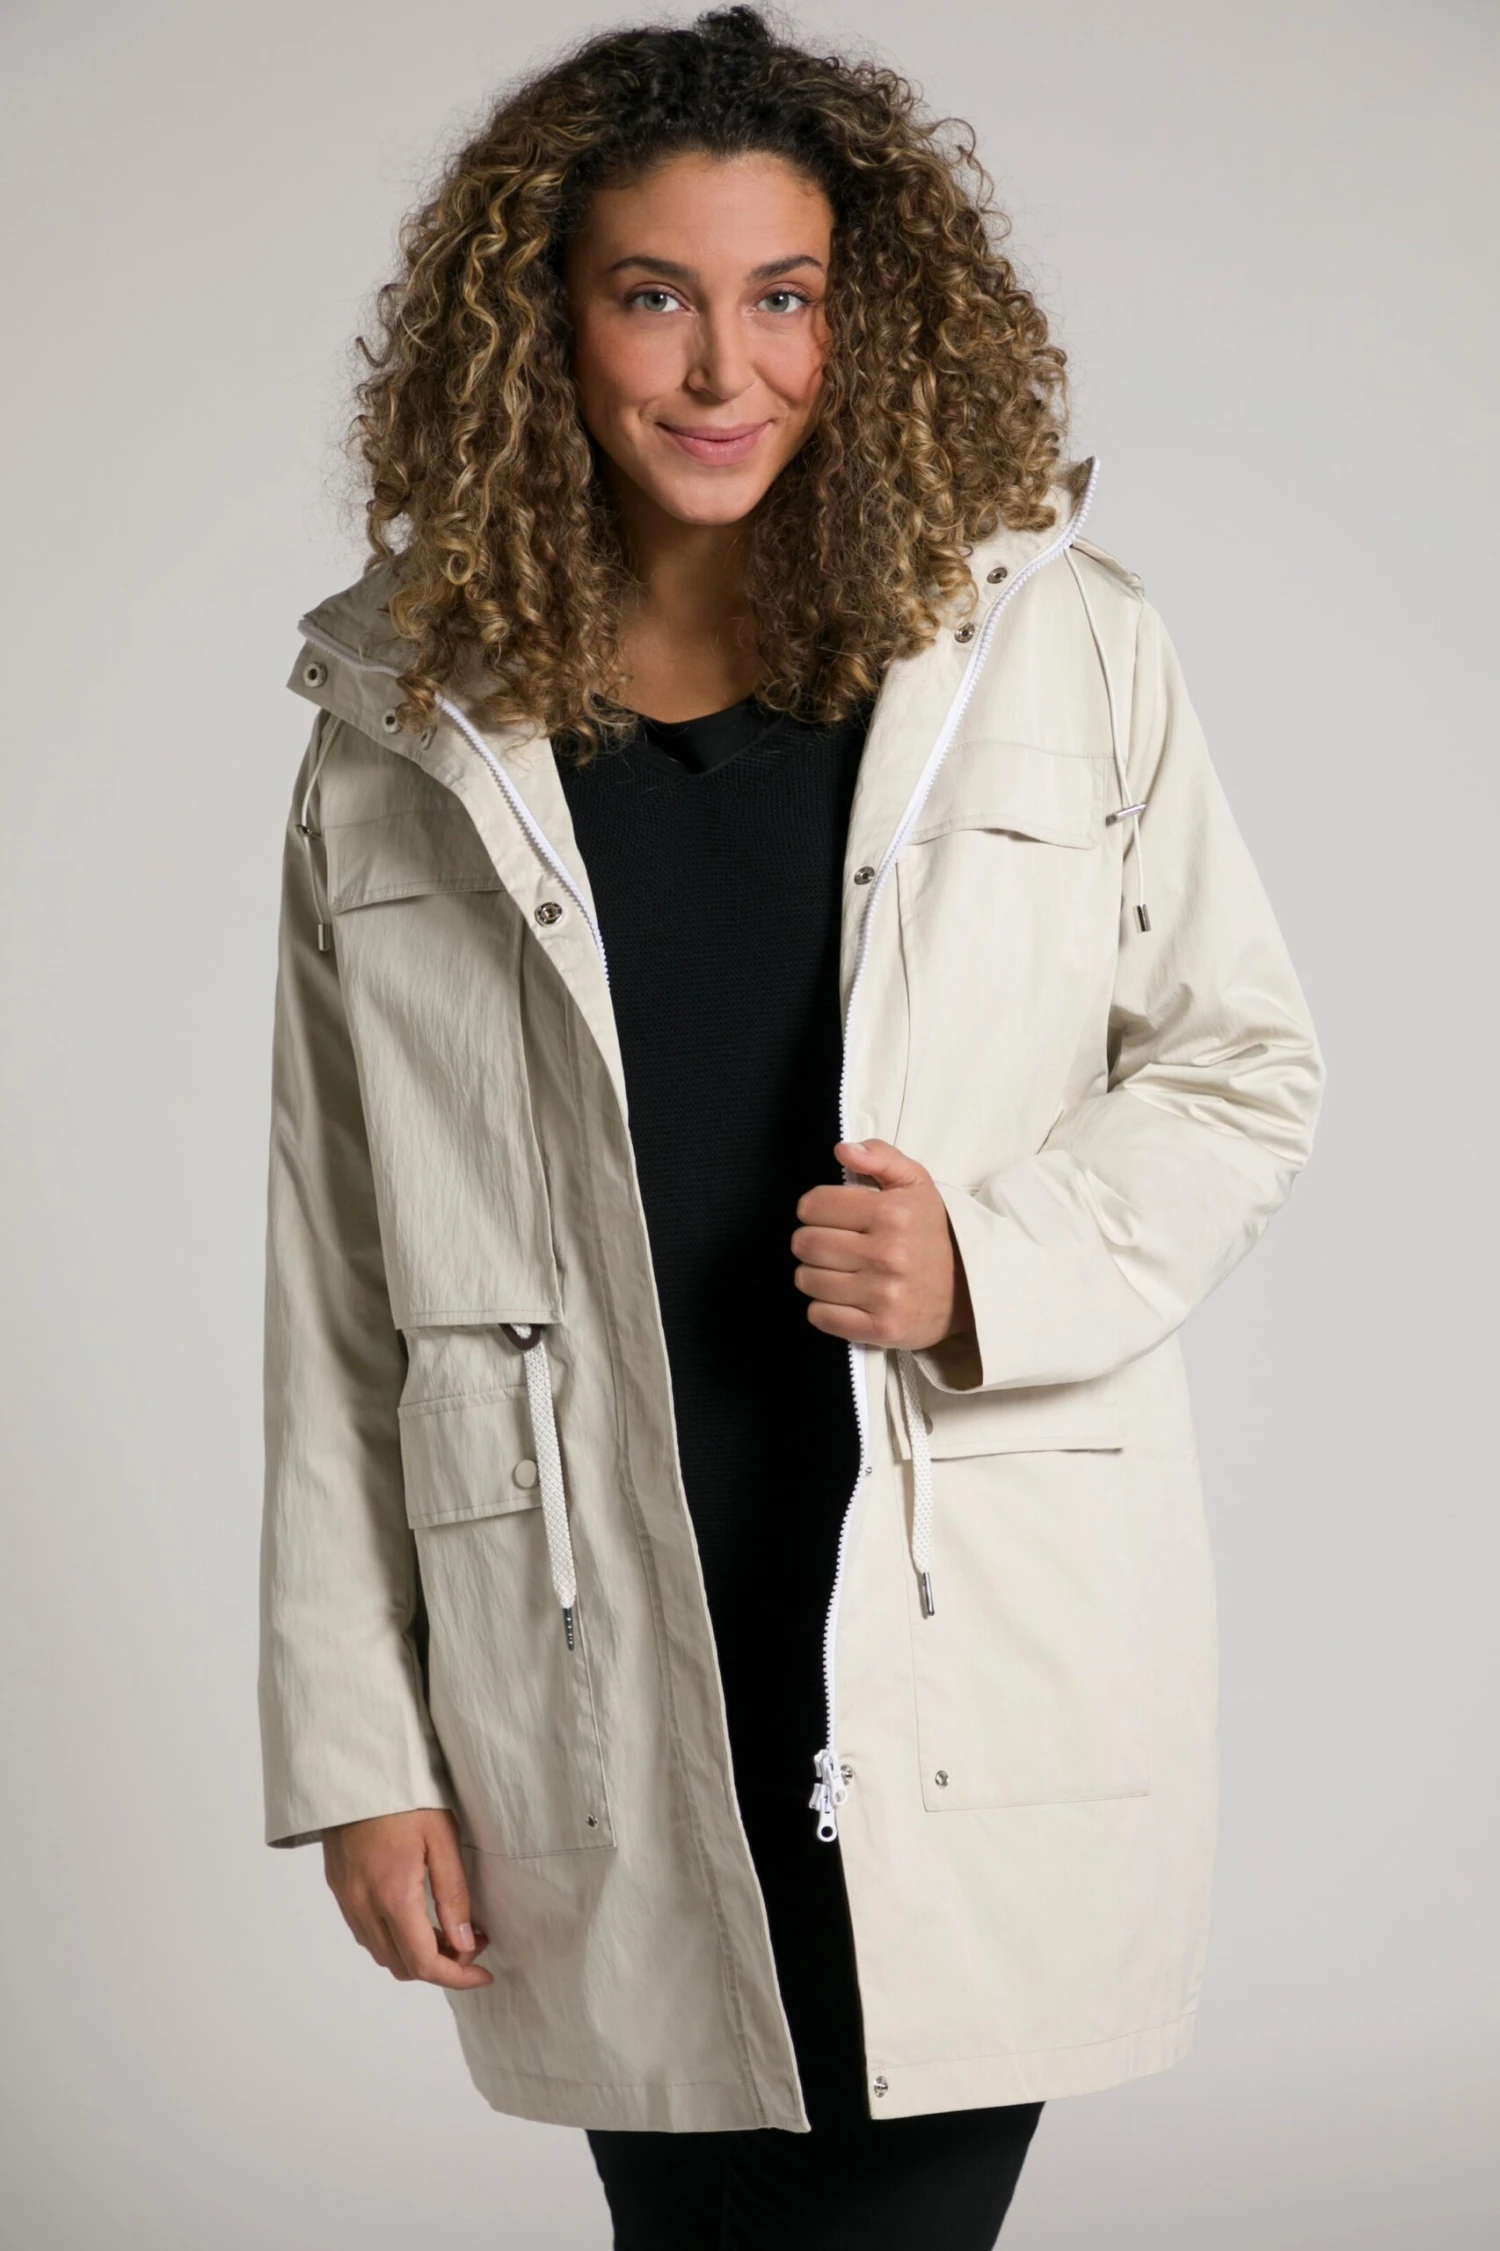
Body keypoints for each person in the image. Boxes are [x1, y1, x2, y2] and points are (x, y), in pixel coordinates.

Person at [257, 10, 1325, 2245]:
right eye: (653, 294)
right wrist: (361, 1753)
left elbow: (1243, 1068)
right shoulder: (403, 734)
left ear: (870, 322)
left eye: (786, 296)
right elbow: (338, 1281)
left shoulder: (1052, 653)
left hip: (958, 1631)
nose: (723, 367)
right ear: (543, 321)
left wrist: (990, 1264)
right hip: (591, 1655)